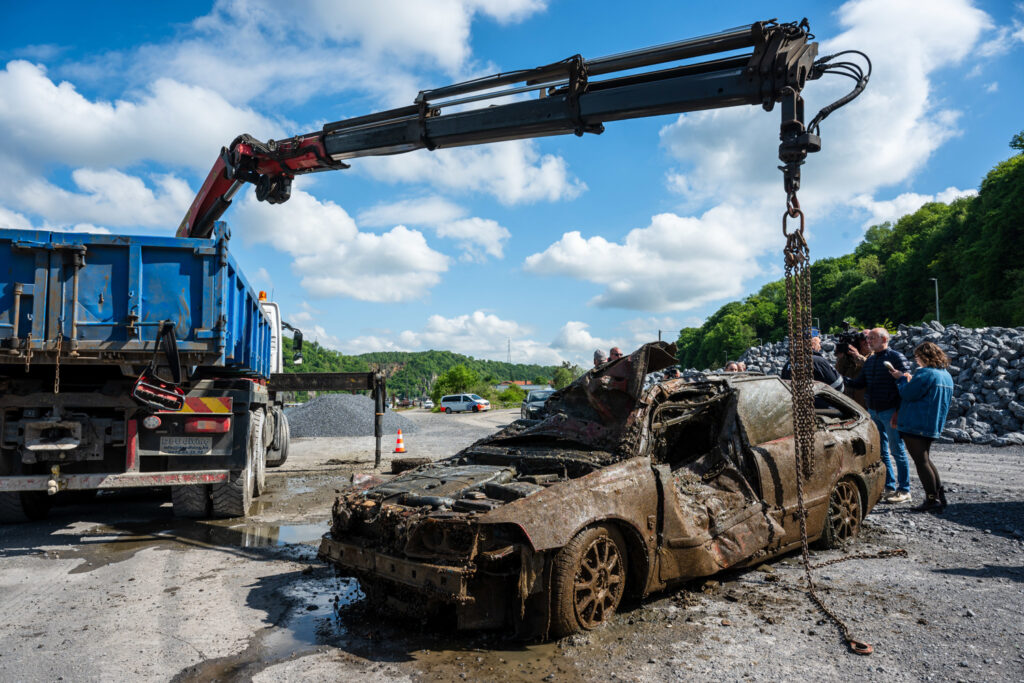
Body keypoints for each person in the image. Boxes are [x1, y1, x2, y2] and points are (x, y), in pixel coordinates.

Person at [845, 328, 912, 503]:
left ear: (884, 339)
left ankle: (904, 489)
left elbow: (907, 381)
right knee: (882, 452)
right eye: (868, 338)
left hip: (891, 411)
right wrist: (836, 379)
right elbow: (860, 383)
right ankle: (889, 486)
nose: (868, 341)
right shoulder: (871, 361)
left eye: (872, 338)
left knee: (897, 450)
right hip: (874, 411)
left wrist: (899, 411)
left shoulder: (896, 357)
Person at [887, 341, 953, 513]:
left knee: (921, 461)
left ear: (924, 356)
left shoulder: (925, 373)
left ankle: (931, 499)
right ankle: (939, 496)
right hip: (932, 424)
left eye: (917, 357)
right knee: (926, 460)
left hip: (915, 424)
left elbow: (907, 394)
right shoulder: (945, 375)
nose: (916, 360)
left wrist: (902, 379)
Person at [780, 328, 844, 392]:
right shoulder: (819, 362)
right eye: (819, 343)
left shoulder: (788, 364)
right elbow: (838, 387)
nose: (820, 346)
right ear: (813, 343)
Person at [836, 331, 870, 408]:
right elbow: (838, 373)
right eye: (863, 339)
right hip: (849, 400)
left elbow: (871, 367)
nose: (867, 341)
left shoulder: (875, 356)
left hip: (864, 401)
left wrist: (858, 356)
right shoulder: (849, 357)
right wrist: (841, 356)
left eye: (869, 338)